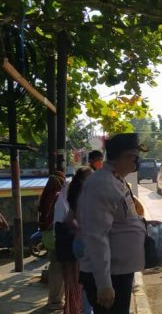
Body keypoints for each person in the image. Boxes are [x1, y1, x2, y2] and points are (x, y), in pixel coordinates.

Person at [78, 133, 147, 314]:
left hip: (119, 271)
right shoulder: (102, 184)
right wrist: (104, 285)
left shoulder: (117, 179)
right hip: (108, 276)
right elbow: (96, 236)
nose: (136, 163)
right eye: (134, 158)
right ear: (122, 156)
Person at [54, 166, 94, 314]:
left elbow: (69, 219)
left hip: (77, 244)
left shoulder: (73, 195)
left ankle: (81, 310)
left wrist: (79, 229)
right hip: (87, 244)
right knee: (91, 283)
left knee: (83, 282)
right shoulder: (89, 195)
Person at [38, 171, 66, 311]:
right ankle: (55, 301)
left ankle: (54, 300)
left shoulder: (45, 195)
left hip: (46, 234)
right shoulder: (56, 196)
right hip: (54, 235)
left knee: (55, 266)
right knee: (58, 268)